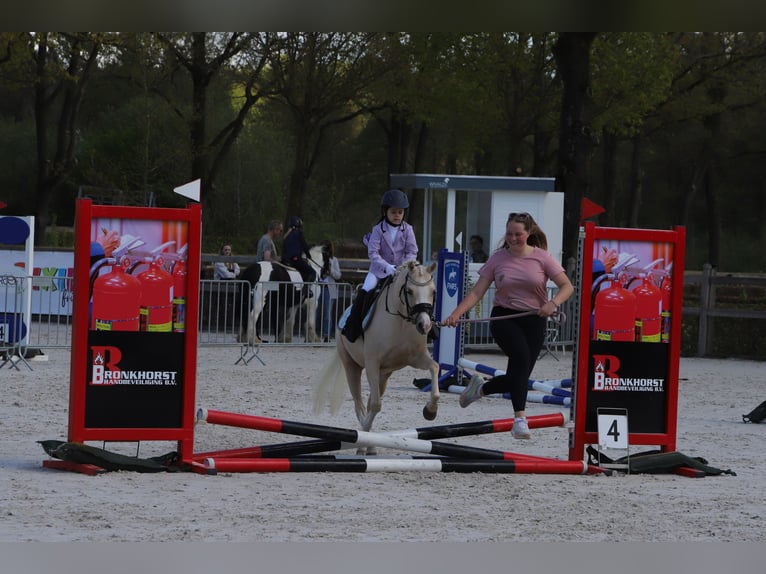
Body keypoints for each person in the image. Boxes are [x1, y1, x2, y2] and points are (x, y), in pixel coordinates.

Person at [443, 212, 574, 439]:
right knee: (521, 360)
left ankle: (480, 388)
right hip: (504, 318)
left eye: (518, 234)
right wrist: (456, 313)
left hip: (534, 320)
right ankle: (520, 420)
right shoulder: (497, 259)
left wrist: (553, 303)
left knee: (518, 375)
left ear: (529, 233)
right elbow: (477, 292)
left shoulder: (542, 257)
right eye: (509, 234)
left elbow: (567, 286)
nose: (513, 238)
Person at [341, 188, 418, 342]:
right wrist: (387, 267)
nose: (397, 215)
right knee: (365, 290)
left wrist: (402, 267)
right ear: (385, 212)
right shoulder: (377, 230)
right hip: (378, 271)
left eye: (400, 212)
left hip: (401, 270)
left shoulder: (408, 229)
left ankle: (426, 328)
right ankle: (354, 327)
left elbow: (412, 251)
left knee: (418, 291)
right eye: (393, 212)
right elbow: (373, 253)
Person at [316, 239, 342, 342]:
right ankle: (315, 333)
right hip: (318, 287)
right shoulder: (318, 259)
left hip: (328, 287)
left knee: (327, 313)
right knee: (316, 312)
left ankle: (326, 334)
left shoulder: (333, 260)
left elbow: (338, 275)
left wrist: (329, 270)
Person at [282, 215, 317, 282]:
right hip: (295, 260)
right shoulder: (299, 234)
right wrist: (308, 255)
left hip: (285, 259)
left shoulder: (286, 235)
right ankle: (306, 290)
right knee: (312, 272)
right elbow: (304, 246)